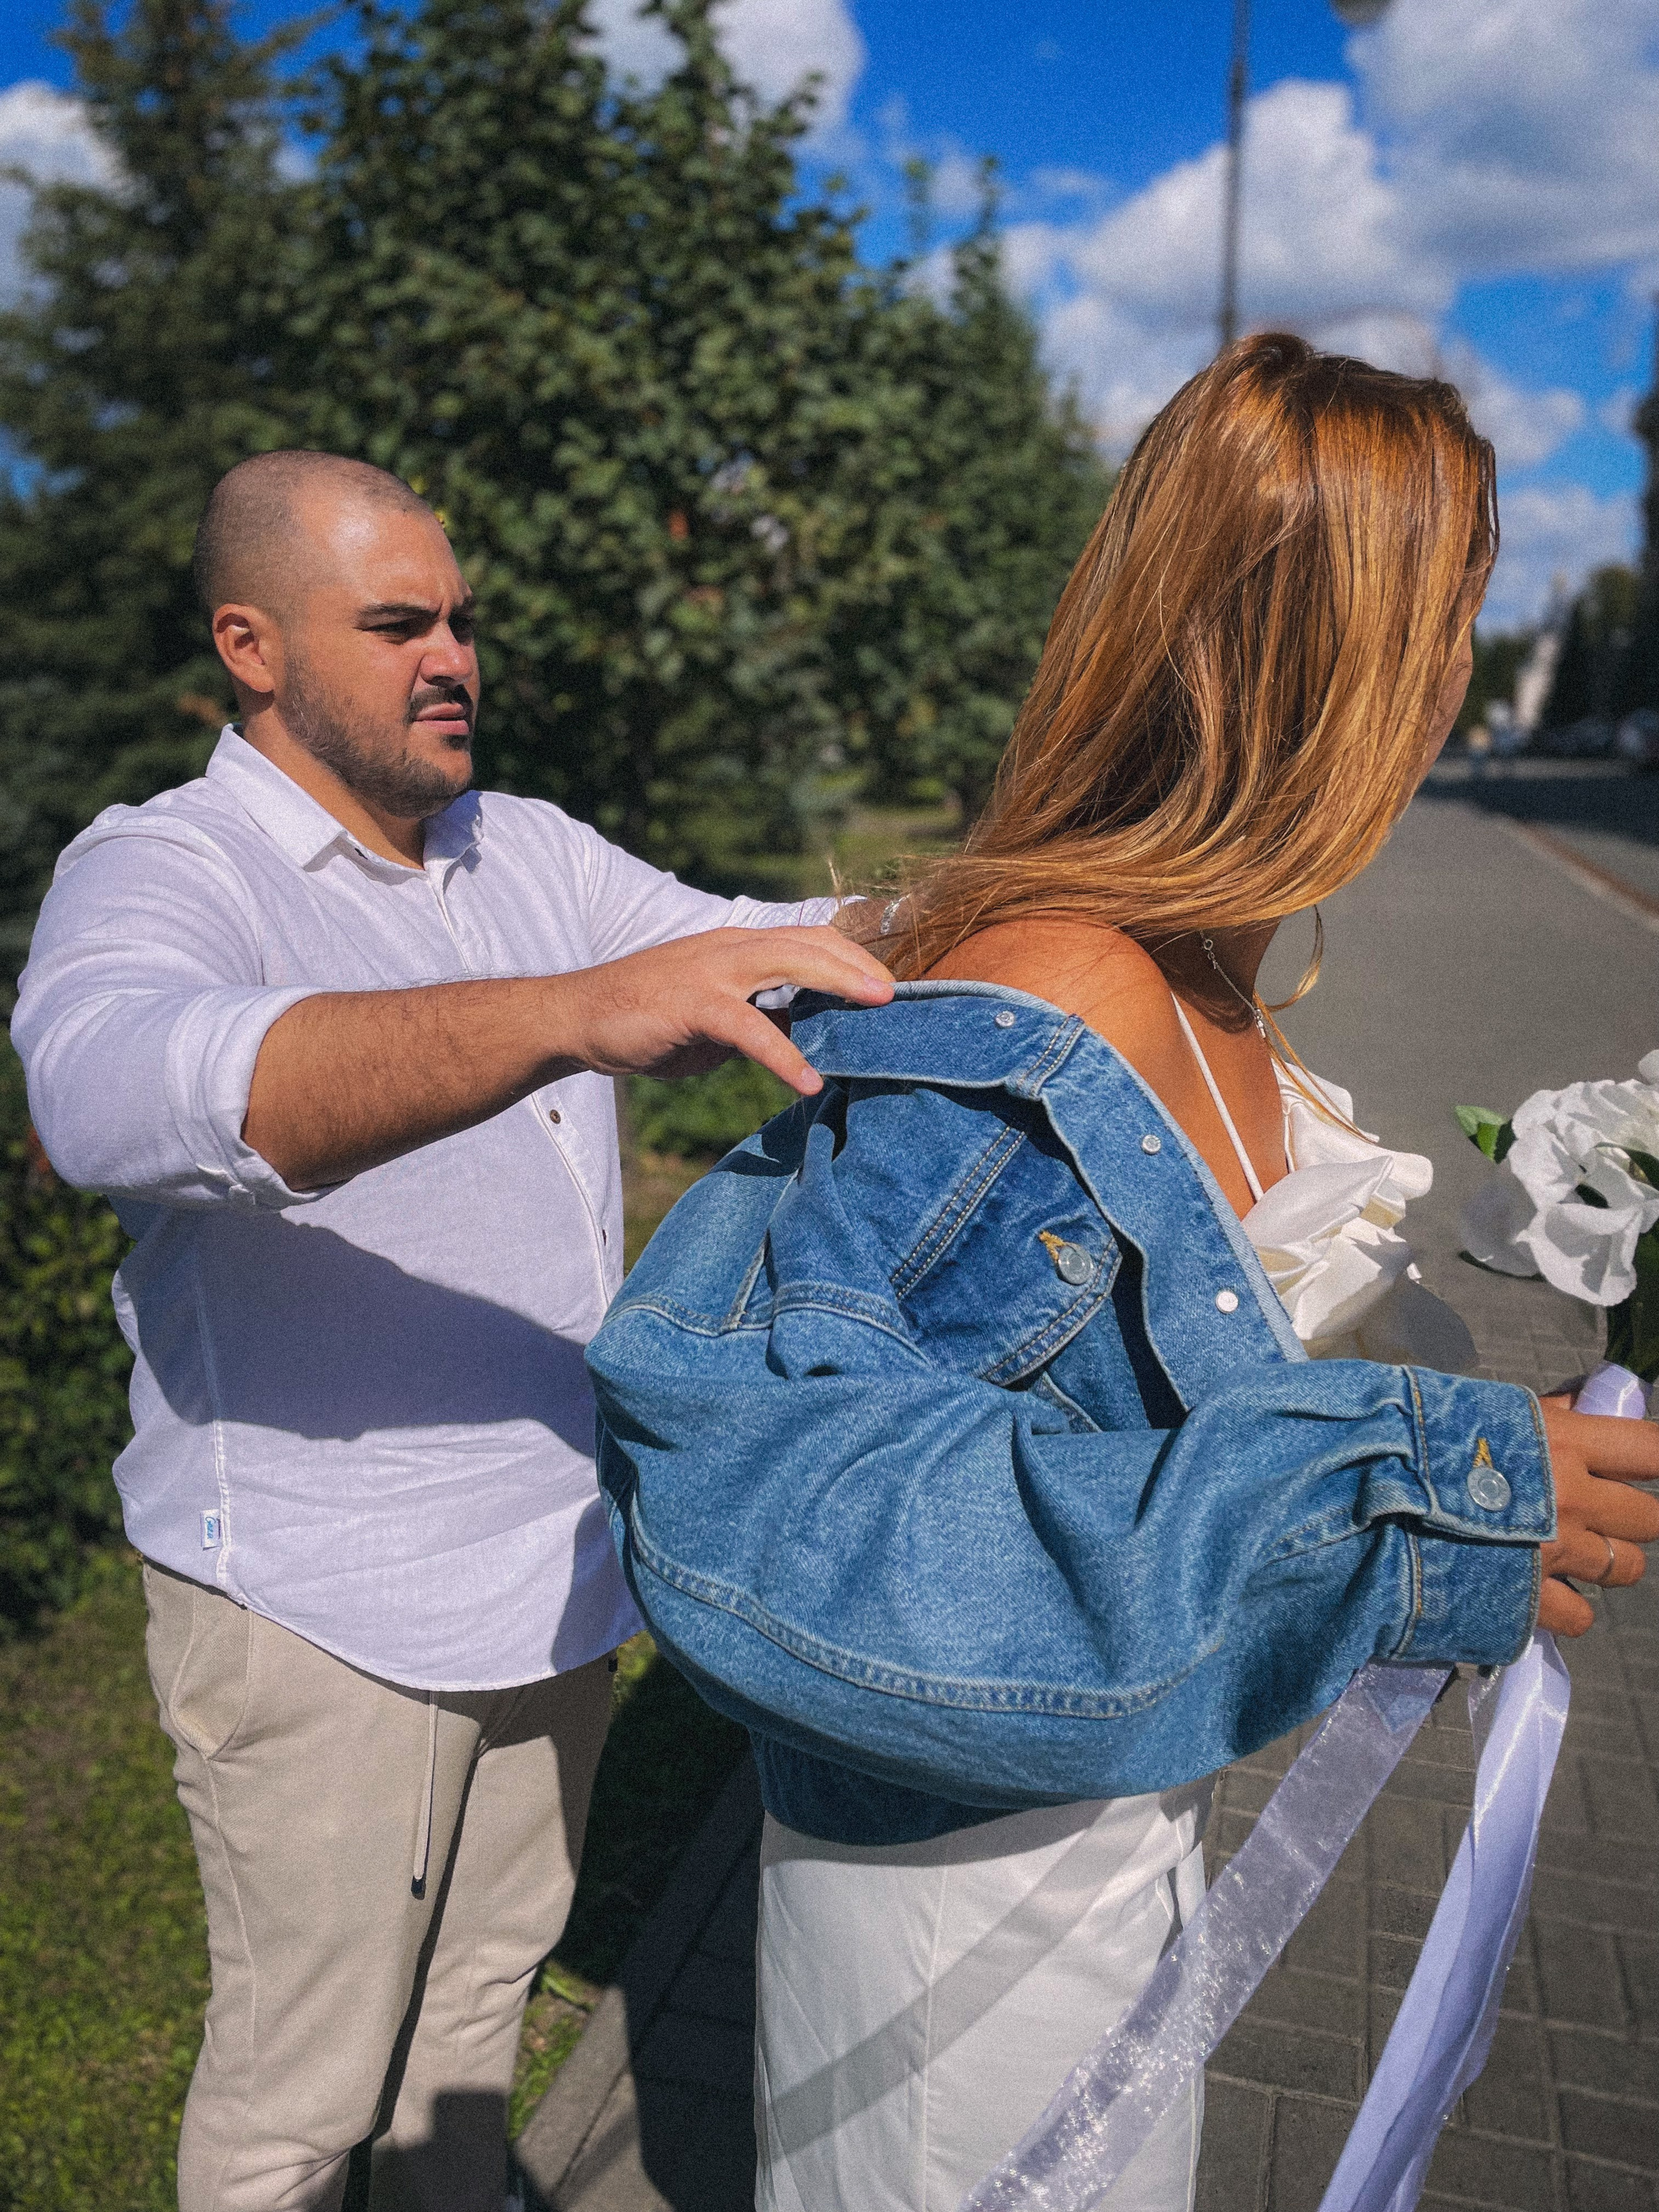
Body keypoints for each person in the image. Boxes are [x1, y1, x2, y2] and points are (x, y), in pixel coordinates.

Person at [585, 336, 1659, 2212]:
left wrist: (1514, 1451)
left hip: (1110, 1827)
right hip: (957, 1911)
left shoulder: (1199, 965)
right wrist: (1406, 1509)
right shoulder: (1054, 992)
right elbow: (789, 1501)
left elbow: (1144, 1410)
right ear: (1319, 646)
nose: (1463, 682)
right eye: (1446, 622)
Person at [12, 449, 892, 2212]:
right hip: (318, 1609)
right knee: (300, 2109)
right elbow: (100, 1097)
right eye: (398, 622)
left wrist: (1067, 883)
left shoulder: (525, 846)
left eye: (461, 620)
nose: (454, 656)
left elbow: (778, 948)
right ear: (249, 645)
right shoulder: (165, 868)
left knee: (477, 2020)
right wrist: (569, 1014)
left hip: (555, 1576)